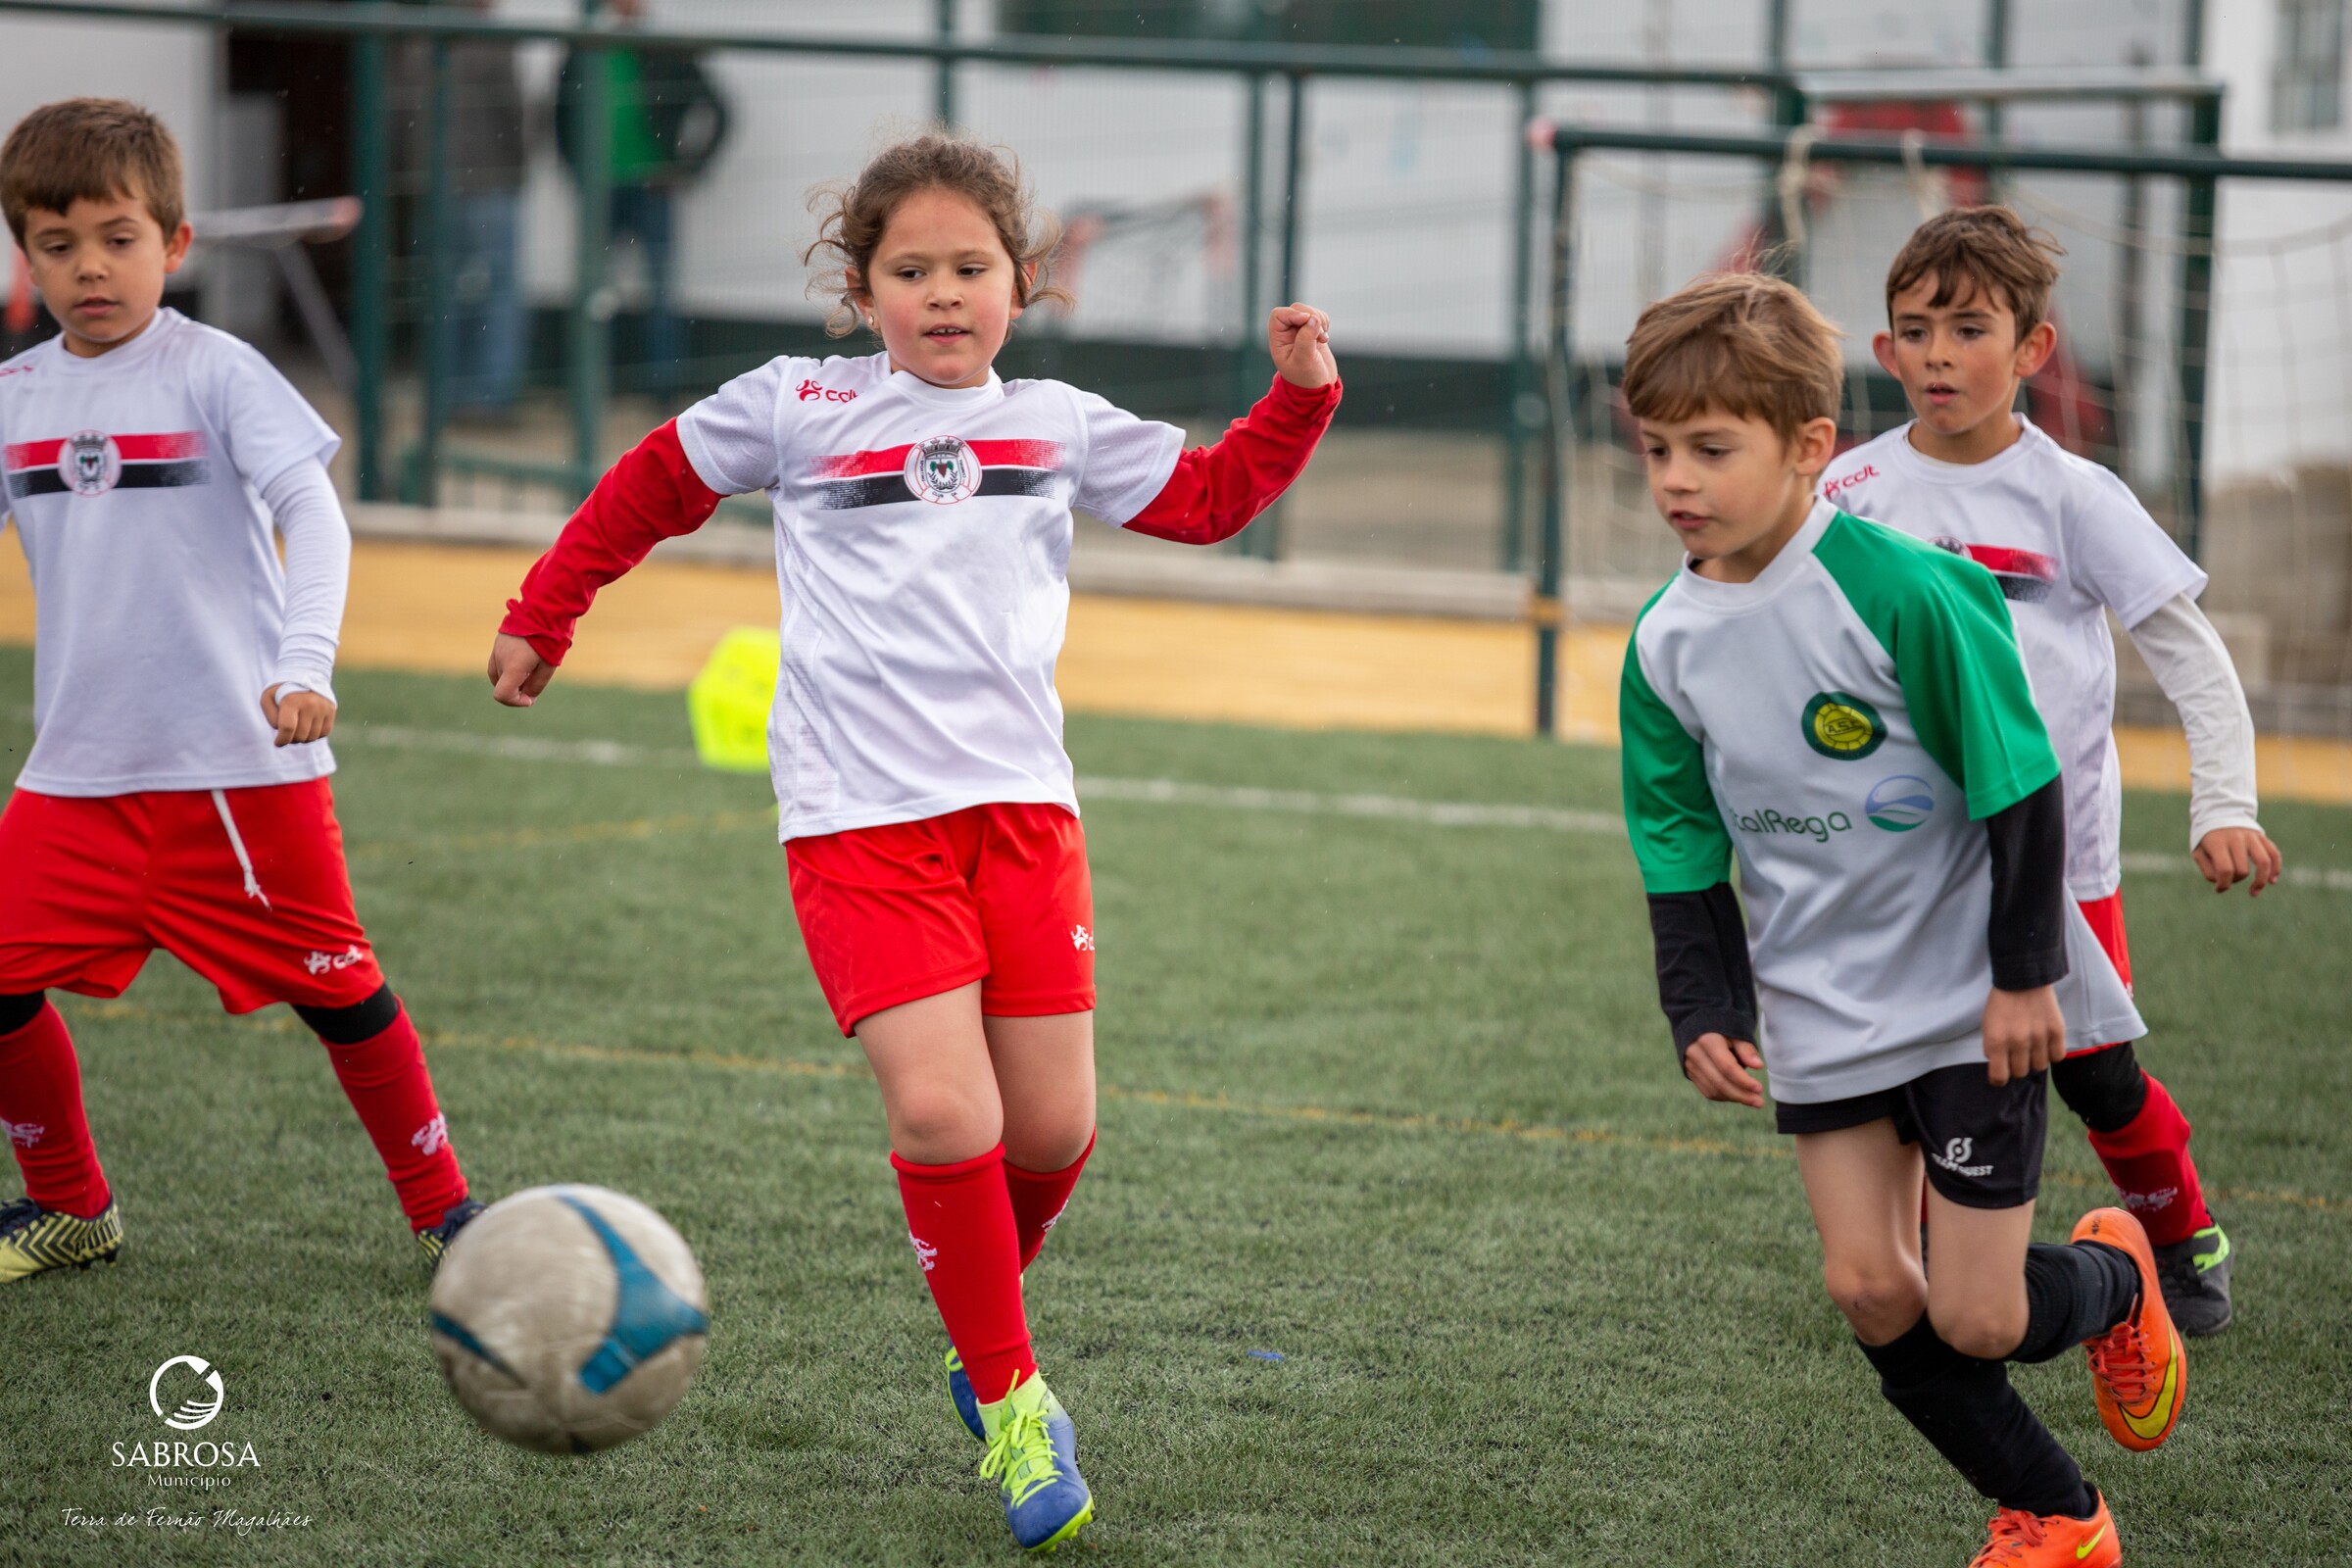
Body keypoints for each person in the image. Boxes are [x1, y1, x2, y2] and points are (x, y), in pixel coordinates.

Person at [485, 132, 1339, 1551]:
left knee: (1052, 1130)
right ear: (861, 289)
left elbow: (1206, 498)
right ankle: (1013, 1404)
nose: (943, 294)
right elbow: (651, 484)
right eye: (910, 271)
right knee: (948, 1117)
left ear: (1022, 281)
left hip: (1023, 818)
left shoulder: (1055, 422)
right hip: (858, 822)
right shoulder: (800, 405)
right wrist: (543, 611)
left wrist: (1299, 398)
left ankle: (979, 1334)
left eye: (970, 268)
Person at [1618, 271, 2183, 1568]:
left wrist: (2025, 974)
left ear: (1808, 446)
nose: (1677, 480)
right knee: (1872, 1289)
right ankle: (2062, 1517)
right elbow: (1677, 835)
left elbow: (2018, 780)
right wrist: (1703, 1004)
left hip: (1971, 992)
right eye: (1657, 450)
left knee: (1982, 1318)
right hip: (1820, 999)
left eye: (1712, 449)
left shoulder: (1904, 590)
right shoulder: (1663, 641)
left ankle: (2114, 1281)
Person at [0, 99, 483, 1282]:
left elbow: (314, 513)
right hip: (78, 777)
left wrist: (304, 663)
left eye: (118, 238)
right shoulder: (15, 396)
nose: (90, 267)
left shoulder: (217, 371)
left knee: (343, 995)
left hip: (237, 771)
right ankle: (71, 1207)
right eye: (57, 245)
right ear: (25, 260)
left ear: (175, 243)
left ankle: (450, 1217)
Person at [1822, 206, 2277, 1336]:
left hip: (2057, 856)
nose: (1938, 354)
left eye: (1969, 329)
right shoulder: (1847, 492)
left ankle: (2182, 1235)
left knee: (2093, 1073)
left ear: (2033, 348)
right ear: (1883, 350)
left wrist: (2224, 804)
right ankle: (1921, 1253)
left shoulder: (2074, 495)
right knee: (1907, 1059)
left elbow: (2190, 655)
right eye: (1916, 330)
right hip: (1905, 856)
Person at [556, 0, 731, 394]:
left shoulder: (662, 47)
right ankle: (589, 383)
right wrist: (576, 170)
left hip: (651, 184)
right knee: (592, 286)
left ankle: (663, 385)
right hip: (600, 185)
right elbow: (560, 114)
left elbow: (719, 110)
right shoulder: (584, 48)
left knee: (661, 287)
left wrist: (686, 167)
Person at [395, 0, 530, 415]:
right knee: (498, 291)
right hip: (489, 180)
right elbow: (511, 112)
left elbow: (400, 118)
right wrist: (518, 167)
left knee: (442, 292)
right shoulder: (491, 40)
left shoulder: (417, 43)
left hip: (433, 186)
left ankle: (445, 392)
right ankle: (492, 395)